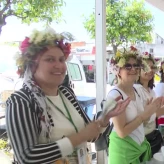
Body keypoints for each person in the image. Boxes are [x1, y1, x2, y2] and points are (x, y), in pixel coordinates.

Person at [6, 28, 128, 164]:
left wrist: (105, 117)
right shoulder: (21, 100)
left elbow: (91, 135)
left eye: (61, 59)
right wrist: (79, 137)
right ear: (32, 65)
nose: (59, 65)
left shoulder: (66, 93)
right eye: (50, 59)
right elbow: (26, 156)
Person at [107, 46, 164, 164]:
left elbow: (141, 124)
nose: (133, 69)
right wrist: (145, 115)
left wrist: (149, 112)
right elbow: (121, 132)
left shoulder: (137, 91)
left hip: (139, 148)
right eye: (128, 66)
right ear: (118, 70)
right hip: (123, 153)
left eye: (136, 65)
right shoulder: (115, 95)